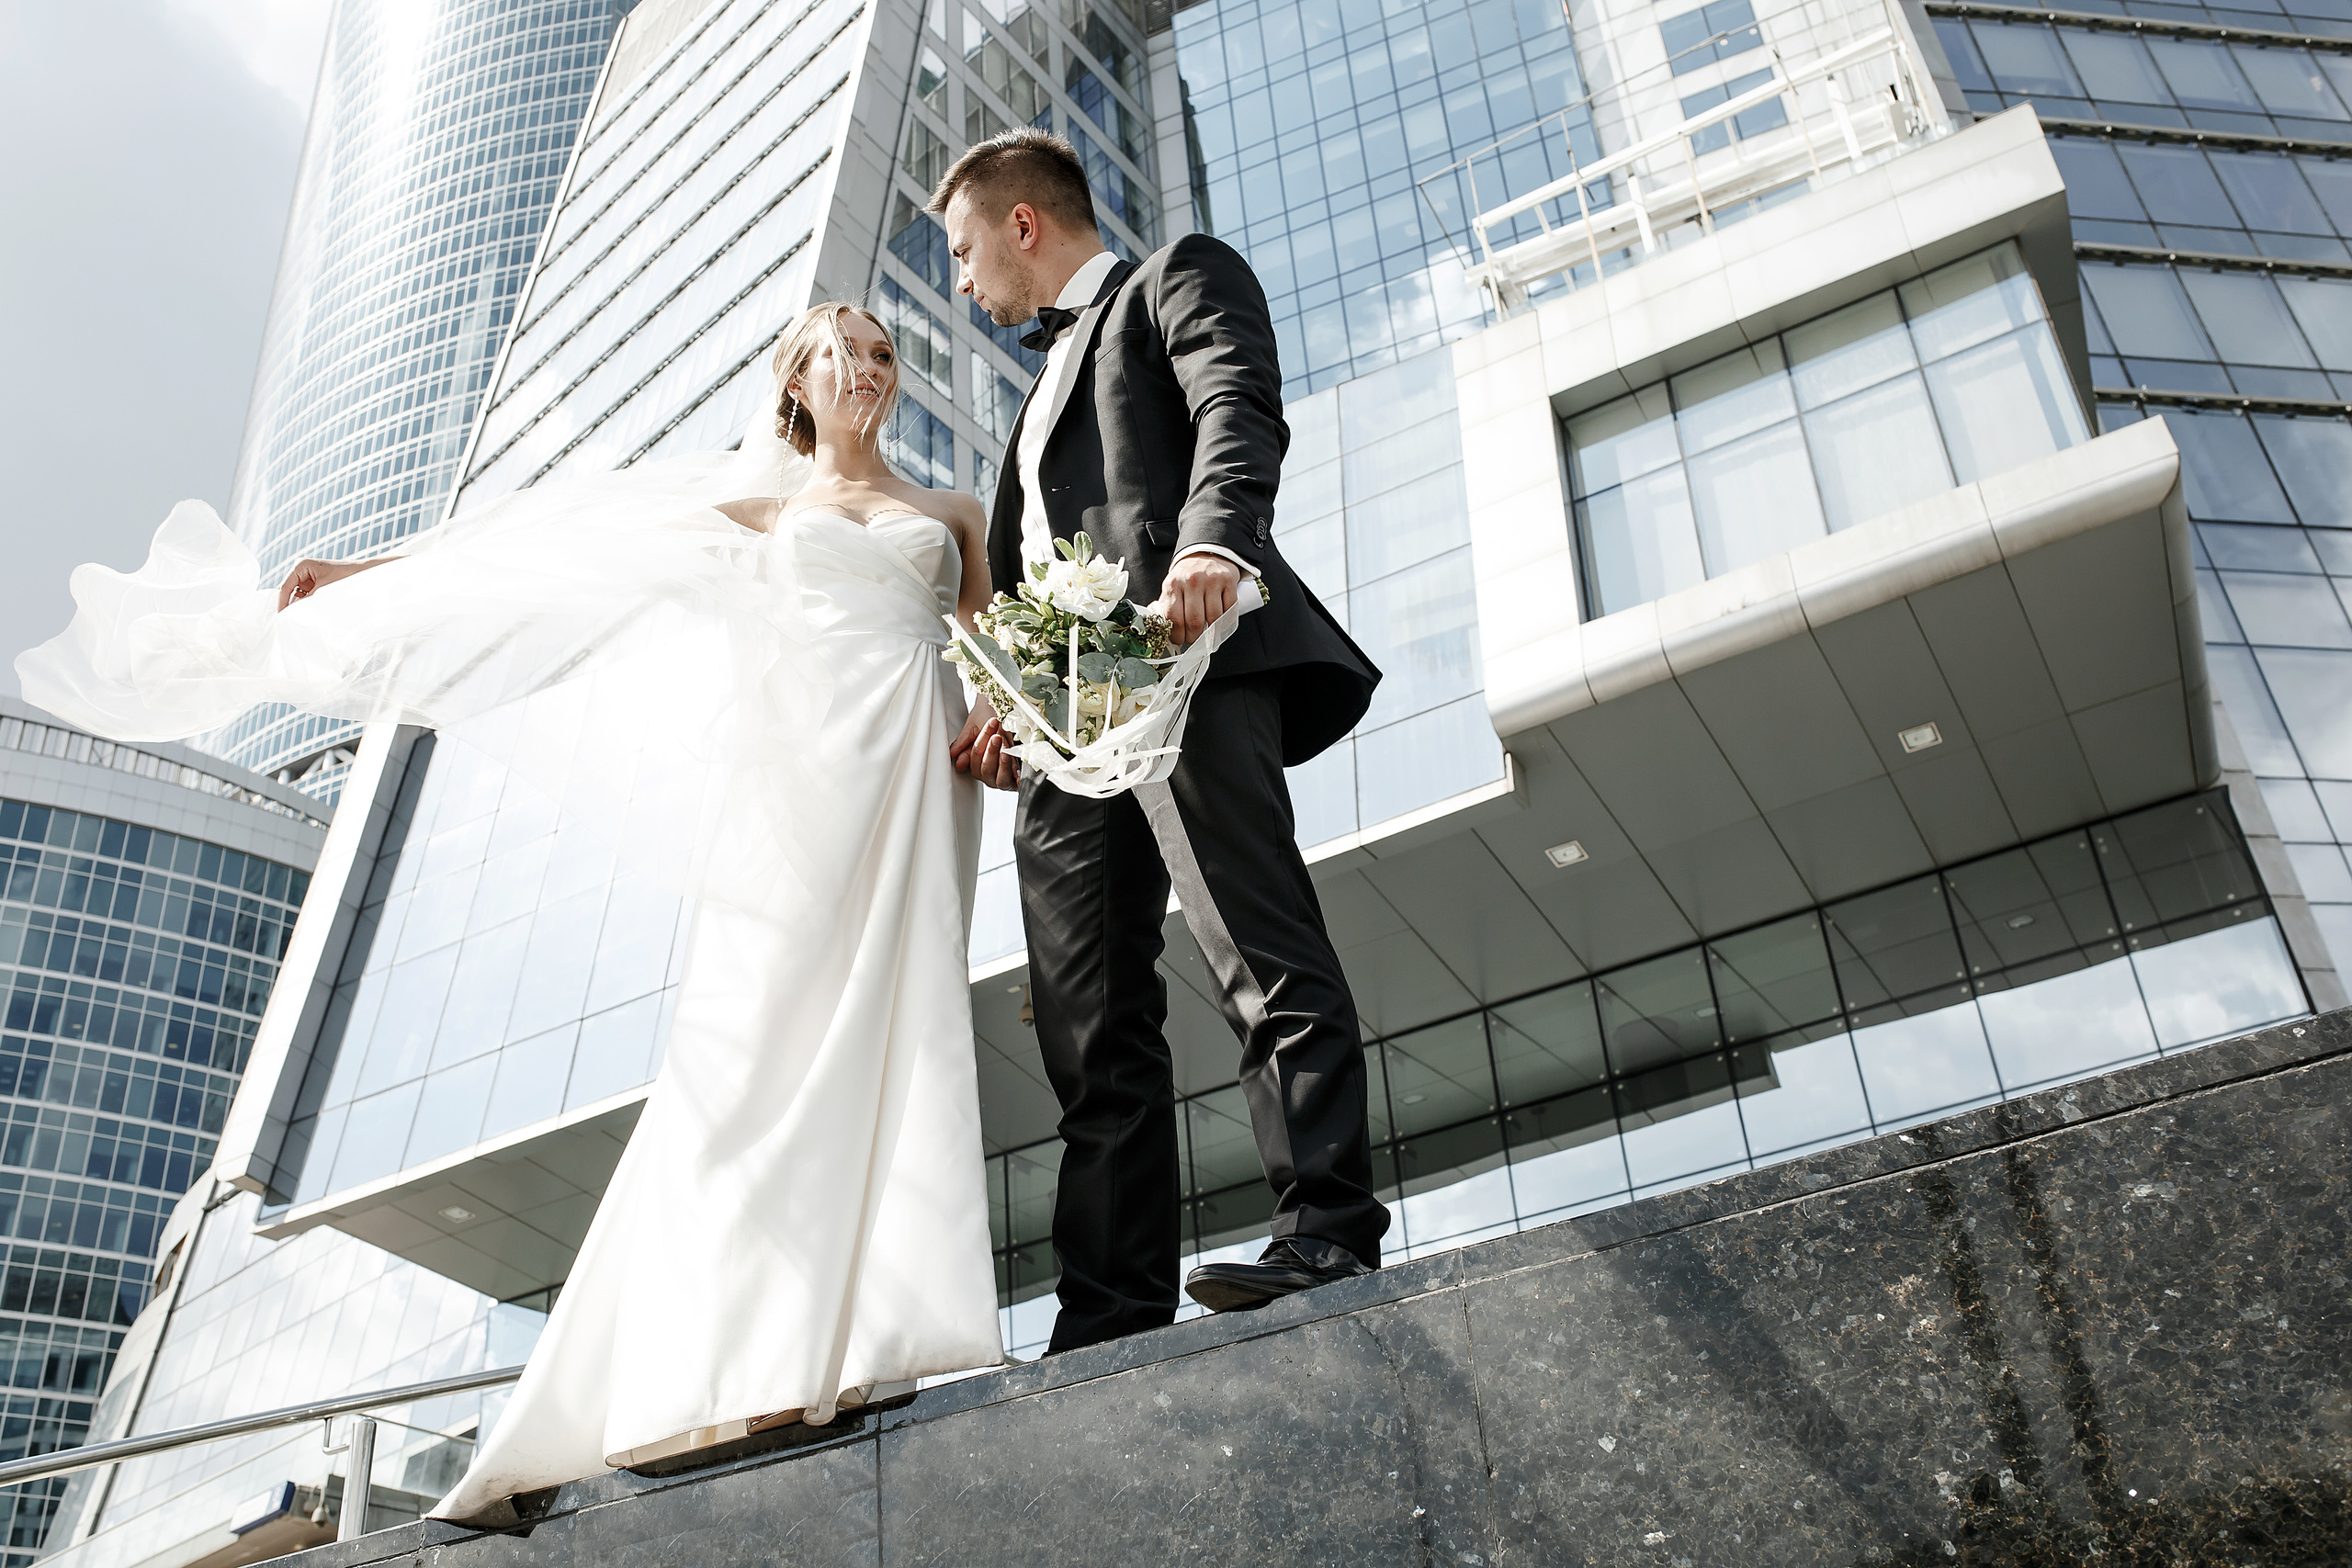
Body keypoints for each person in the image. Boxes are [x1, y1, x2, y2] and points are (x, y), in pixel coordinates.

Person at [16, 304, 1006, 1520]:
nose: (865, 369)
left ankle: (872, 1336)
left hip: (916, 776)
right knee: (754, 1052)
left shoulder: (957, 512)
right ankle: (726, 1367)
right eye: (837, 354)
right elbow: (555, 567)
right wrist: (367, 579)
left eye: (883, 353)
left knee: (900, 1032)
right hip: (807, 789)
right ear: (796, 385)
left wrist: (1024, 718)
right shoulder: (765, 514)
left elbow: (997, 661)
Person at [933, 130, 1390, 1352]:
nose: (966, 286)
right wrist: (1012, 714)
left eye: (969, 253)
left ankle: (1329, 1230)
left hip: (1193, 669)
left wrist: (1211, 545)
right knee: (1088, 1022)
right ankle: (1108, 1310)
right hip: (1073, 738)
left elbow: (1238, 401)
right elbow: (1042, 577)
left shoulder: (1173, 276)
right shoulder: (1030, 396)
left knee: (1259, 953)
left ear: (1023, 226)